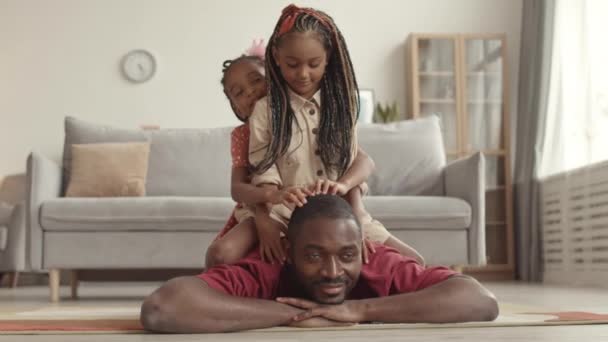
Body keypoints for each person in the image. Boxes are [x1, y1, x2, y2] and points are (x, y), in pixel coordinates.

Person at [140, 195, 499, 333]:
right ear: (288, 251)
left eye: (346, 256)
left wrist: (358, 309)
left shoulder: (378, 261)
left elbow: (480, 301)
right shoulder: (269, 265)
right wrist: (297, 314)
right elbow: (163, 308)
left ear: (362, 248)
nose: (332, 272)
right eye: (313, 256)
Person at [248, 4, 422, 264]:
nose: (303, 74)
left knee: (414, 261)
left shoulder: (344, 104)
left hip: (342, 214)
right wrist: (275, 202)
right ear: (275, 56)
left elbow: (352, 162)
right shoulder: (265, 110)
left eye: (314, 64)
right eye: (292, 64)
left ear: (328, 57)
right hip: (285, 214)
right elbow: (263, 171)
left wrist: (350, 202)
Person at [205, 40, 381, 268]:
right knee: (221, 253)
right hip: (265, 206)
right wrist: (263, 218)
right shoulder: (243, 135)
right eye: (239, 93)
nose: (251, 93)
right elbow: (240, 188)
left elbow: (358, 161)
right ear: (235, 107)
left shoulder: (306, 116)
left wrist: (354, 210)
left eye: (257, 80)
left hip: (309, 203)